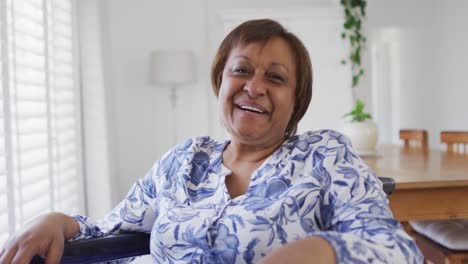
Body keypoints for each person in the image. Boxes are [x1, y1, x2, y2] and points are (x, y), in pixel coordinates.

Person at [0, 19, 422, 264]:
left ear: (297, 102)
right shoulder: (183, 160)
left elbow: (397, 249)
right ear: (220, 81)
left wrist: (323, 250)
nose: (253, 87)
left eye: (275, 77)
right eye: (241, 71)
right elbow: (112, 226)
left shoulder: (324, 156)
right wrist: (60, 221)